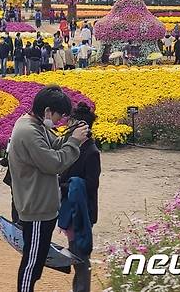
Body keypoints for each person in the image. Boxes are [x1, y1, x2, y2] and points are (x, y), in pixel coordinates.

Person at [9, 85, 89, 292]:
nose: (58, 121)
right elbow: (53, 163)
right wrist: (74, 143)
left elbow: (56, 143)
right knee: (32, 263)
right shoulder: (28, 130)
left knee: (37, 259)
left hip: (42, 205)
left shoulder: (36, 124)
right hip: (35, 207)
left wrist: (73, 135)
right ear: (46, 111)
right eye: (58, 116)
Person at [59, 102, 101, 292]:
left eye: (73, 124)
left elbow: (91, 185)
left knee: (81, 255)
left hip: (82, 211)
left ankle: (82, 289)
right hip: (71, 207)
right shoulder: (74, 147)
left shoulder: (91, 152)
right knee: (75, 252)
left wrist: (65, 184)